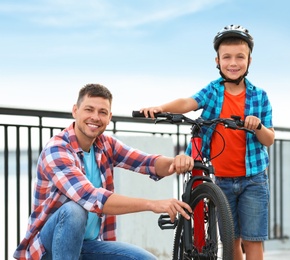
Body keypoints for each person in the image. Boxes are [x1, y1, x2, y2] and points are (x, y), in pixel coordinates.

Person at [139, 24, 275, 260]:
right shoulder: (213, 91)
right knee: (230, 244)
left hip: (254, 179)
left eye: (239, 57)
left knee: (253, 243)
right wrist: (160, 108)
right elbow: (187, 102)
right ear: (217, 61)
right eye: (227, 57)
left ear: (249, 61)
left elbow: (269, 139)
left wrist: (258, 126)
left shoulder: (259, 96)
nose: (233, 63)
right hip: (221, 180)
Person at [13, 83, 194, 260]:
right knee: (74, 210)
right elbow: (93, 198)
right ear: (75, 111)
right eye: (89, 110)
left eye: (102, 112)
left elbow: (148, 163)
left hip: (88, 245)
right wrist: (152, 204)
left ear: (109, 117)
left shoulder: (106, 145)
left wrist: (177, 161)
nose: (95, 117)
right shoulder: (57, 149)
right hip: (49, 249)